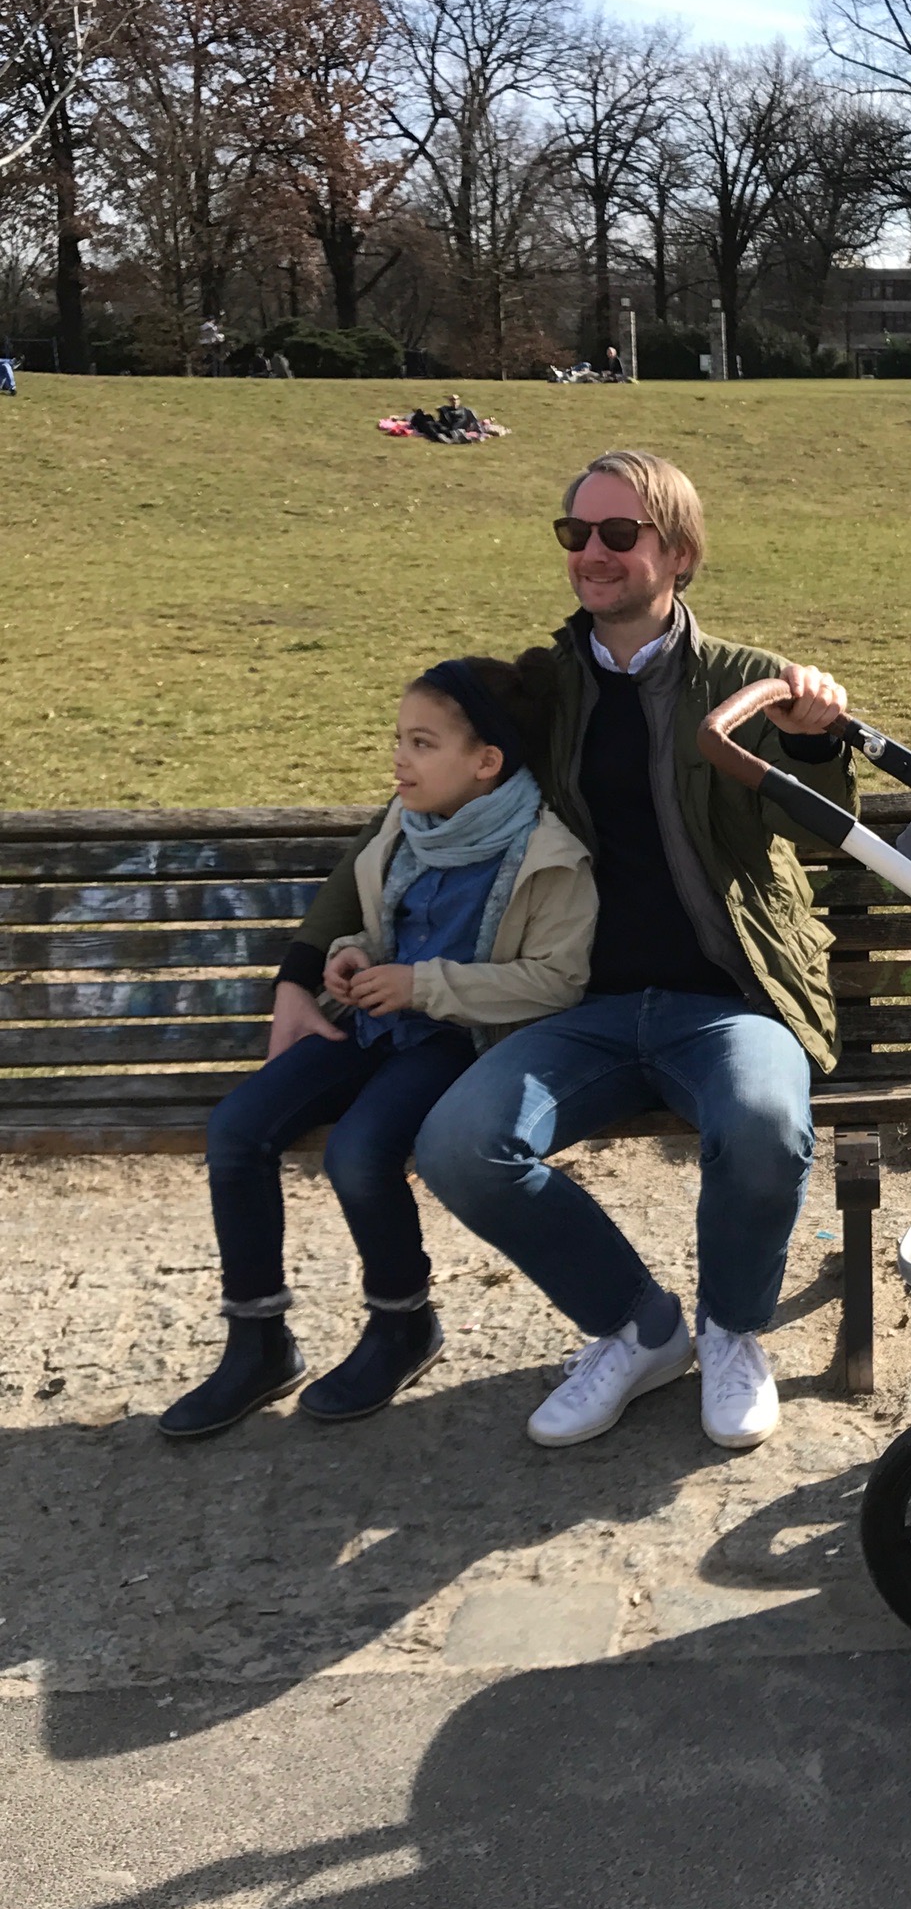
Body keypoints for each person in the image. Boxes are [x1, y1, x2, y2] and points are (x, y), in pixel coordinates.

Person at [272, 449, 855, 1453]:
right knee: (459, 1145)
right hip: (576, 1005)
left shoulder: (746, 682)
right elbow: (407, 815)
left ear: (678, 553)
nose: (592, 551)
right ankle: (639, 1328)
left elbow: (821, 827)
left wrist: (811, 739)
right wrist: (301, 966)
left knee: (764, 1123)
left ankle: (731, 1330)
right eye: (575, 532)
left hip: (727, 999)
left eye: (619, 533)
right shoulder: (540, 689)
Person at [159, 660, 598, 1440]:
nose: (398, 759)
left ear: (486, 760)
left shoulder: (546, 854)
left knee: (359, 1152)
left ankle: (402, 1324)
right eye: (398, 739)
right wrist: (350, 955)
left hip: (456, 1041)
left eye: (421, 743)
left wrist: (422, 984)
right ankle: (258, 1342)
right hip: (370, 1021)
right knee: (236, 1128)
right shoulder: (407, 824)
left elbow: (555, 980)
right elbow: (380, 924)